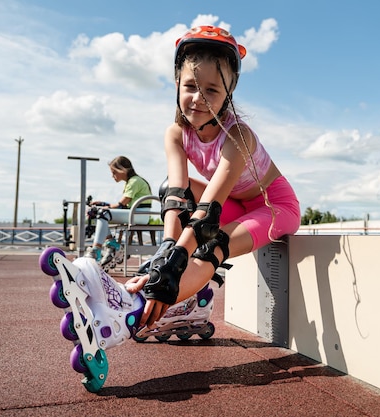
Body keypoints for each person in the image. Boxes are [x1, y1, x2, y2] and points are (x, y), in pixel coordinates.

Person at [125, 26, 300, 328]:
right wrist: (168, 248)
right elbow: (176, 196)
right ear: (177, 83)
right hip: (233, 203)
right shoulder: (176, 134)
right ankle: (179, 296)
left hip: (274, 206)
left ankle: (141, 303)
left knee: (212, 245)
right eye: (191, 86)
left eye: (212, 90)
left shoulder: (238, 136)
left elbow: (207, 215)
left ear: (228, 94)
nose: (198, 98)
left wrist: (178, 259)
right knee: (172, 192)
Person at [87, 156, 152, 266]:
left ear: (123, 169)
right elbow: (121, 205)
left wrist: (103, 206)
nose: (113, 176)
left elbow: (121, 204)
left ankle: (97, 250)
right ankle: (111, 244)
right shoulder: (132, 181)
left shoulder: (134, 181)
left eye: (114, 172)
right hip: (136, 213)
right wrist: (102, 205)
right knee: (101, 214)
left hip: (139, 215)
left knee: (102, 214)